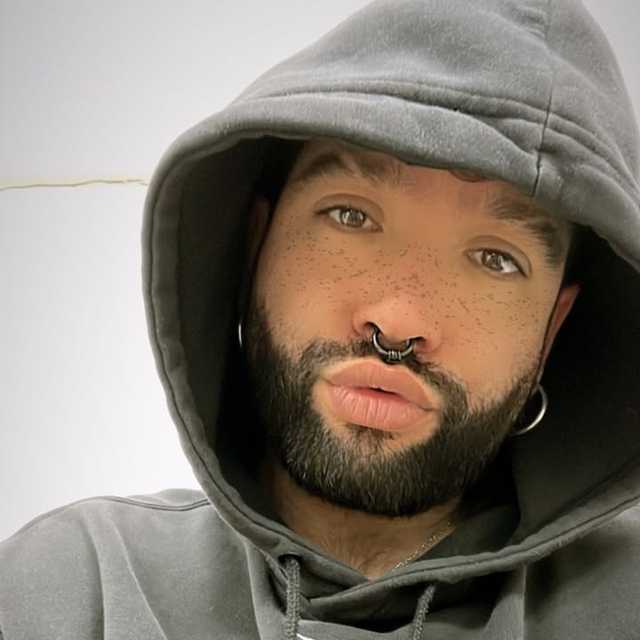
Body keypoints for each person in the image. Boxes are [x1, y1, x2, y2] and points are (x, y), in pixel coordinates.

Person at [2, 0, 639, 638]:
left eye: (495, 259)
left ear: (552, 330)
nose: (397, 324)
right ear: (256, 247)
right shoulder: (77, 584)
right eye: (351, 216)